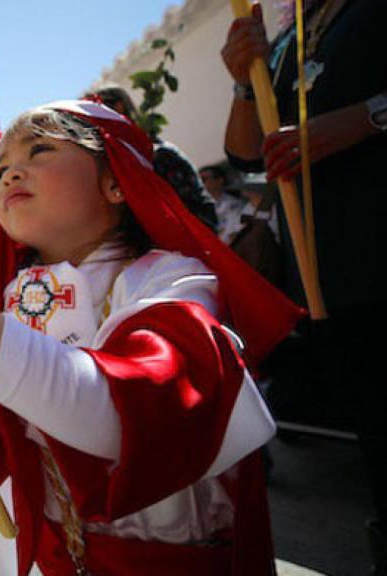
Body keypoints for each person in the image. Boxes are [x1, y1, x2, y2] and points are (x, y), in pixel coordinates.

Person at [0, 101, 301, 574]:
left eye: (39, 151)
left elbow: (132, 415)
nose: (12, 174)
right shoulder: (15, 303)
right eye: (3, 168)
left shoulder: (175, 281)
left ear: (116, 180)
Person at [221, 1, 387, 571]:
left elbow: (357, 119)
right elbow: (244, 152)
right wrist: (246, 83)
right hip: (333, 283)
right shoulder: (289, 36)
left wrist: (365, 118)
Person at [86, 86, 219, 232]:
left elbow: (194, 214)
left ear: (119, 107)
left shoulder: (159, 155)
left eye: (94, 111)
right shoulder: (118, 164)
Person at [200, 164, 247, 244]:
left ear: (220, 180)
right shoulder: (205, 207)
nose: (202, 184)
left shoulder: (233, 203)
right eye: (200, 181)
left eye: (204, 179)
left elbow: (233, 233)